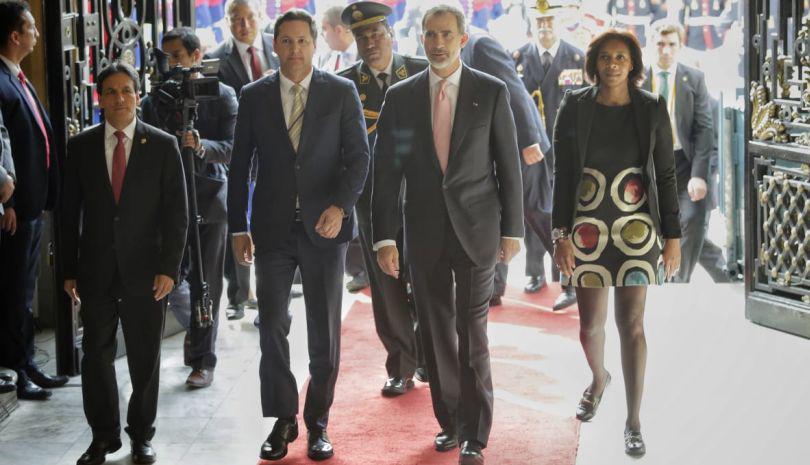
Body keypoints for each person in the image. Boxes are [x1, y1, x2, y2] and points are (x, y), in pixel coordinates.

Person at [373, 5, 524, 465]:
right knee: (436, 331)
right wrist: (384, 238)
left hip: (478, 229)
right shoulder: (400, 97)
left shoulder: (490, 90)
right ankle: (451, 422)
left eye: (445, 34)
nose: (436, 43)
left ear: (462, 39)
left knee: (471, 329)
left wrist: (513, 230)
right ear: (420, 38)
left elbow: (508, 164)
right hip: (424, 232)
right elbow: (387, 171)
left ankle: (476, 435)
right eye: (429, 34)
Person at [227, 9, 369, 462]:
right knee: (270, 323)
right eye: (285, 42)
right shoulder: (254, 96)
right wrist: (237, 226)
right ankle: (283, 417)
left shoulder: (340, 92)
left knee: (324, 331)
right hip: (271, 230)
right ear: (275, 46)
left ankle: (318, 422)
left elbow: (359, 159)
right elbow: (238, 166)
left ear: (315, 44)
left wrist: (339, 205)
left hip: (325, 230)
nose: (294, 51)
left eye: (302, 42)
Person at [551, 29, 681, 457]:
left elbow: (665, 175)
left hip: (636, 229)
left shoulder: (651, 108)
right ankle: (598, 378)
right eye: (604, 57)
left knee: (633, 325)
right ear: (594, 63)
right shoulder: (573, 107)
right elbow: (563, 176)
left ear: (633, 64)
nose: (612, 65)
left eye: (620, 58)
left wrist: (672, 237)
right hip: (586, 226)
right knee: (590, 326)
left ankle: (633, 421)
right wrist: (560, 237)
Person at [61, 61, 188, 465]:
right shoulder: (80, 146)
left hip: (148, 272)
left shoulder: (163, 145)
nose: (119, 98)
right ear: (100, 99)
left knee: (144, 356)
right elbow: (67, 213)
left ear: (137, 95)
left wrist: (169, 268)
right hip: (95, 270)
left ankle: (141, 435)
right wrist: (67, 270)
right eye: (110, 91)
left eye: (126, 90)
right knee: (95, 355)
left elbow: (177, 214)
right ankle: (103, 437)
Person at [337, 0, 429, 397]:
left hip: (423, 197)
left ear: (391, 34)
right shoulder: (343, 86)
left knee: (428, 279)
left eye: (376, 32)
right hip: (373, 200)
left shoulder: (423, 72)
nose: (370, 41)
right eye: (362, 35)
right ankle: (400, 364)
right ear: (353, 40)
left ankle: (429, 355)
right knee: (386, 285)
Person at [141, 27, 238, 388]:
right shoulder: (156, 101)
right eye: (167, 57)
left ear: (197, 56)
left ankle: (203, 359)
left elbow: (232, 147)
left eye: (178, 56)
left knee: (207, 283)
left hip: (210, 198)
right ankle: (196, 335)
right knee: (171, 278)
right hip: (168, 203)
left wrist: (201, 146)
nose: (172, 65)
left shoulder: (222, 95)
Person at [455, 12, 550, 309]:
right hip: (496, 144)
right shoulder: (462, 45)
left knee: (538, 211)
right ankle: (494, 286)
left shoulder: (481, 44)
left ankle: (575, 273)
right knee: (496, 214)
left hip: (522, 143)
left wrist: (529, 138)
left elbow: (513, 88)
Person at [0, 0, 68, 401]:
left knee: (25, 289)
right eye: (31, 27)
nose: (37, 34)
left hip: (31, 205)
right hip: (14, 208)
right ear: (14, 35)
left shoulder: (17, 78)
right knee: (13, 291)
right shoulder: (1, 81)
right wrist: (5, 201)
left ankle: (25, 361)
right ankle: (16, 366)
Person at [205, 0, 280, 321]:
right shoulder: (215, 60)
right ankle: (239, 295)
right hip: (242, 154)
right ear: (227, 22)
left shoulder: (277, 47)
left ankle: (271, 293)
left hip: (278, 154)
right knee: (241, 224)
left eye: (249, 18)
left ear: (259, 18)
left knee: (274, 226)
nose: (244, 25)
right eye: (237, 19)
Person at [513, 0, 586, 308]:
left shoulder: (576, 57)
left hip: (564, 145)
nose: (544, 27)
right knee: (532, 209)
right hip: (532, 148)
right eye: (539, 21)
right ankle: (534, 272)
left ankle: (565, 275)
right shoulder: (517, 57)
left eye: (549, 22)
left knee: (561, 209)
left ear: (559, 22)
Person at [642, 21, 713, 283]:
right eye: (660, 44)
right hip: (648, 163)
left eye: (672, 45)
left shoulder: (693, 78)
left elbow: (704, 129)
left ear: (680, 47)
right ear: (651, 44)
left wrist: (699, 175)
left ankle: (677, 282)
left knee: (692, 219)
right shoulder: (637, 78)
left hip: (683, 162)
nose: (665, 51)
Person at [318, 5, 358, 72]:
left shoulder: (366, 52)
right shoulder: (326, 60)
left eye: (324, 29)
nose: (321, 34)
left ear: (338, 30)